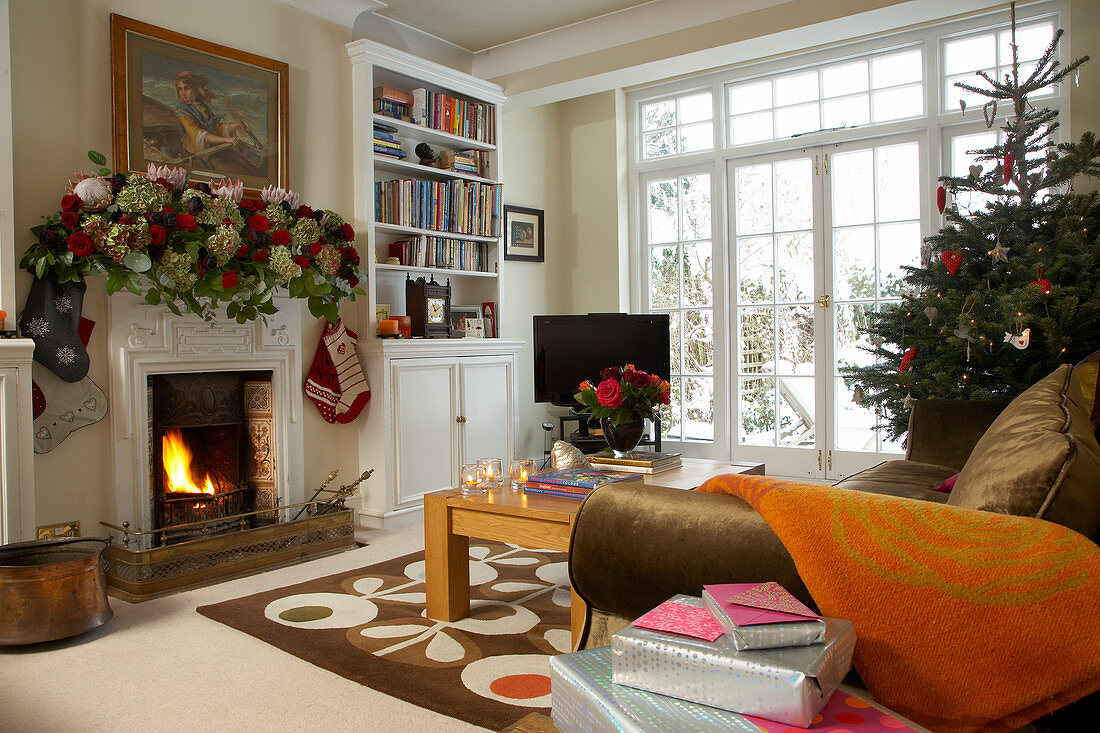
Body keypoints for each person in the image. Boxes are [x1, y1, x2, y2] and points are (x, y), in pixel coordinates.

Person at [173, 71, 263, 176]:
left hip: (213, 148)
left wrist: (237, 125)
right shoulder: (182, 111)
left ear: (195, 88)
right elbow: (199, 135)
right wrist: (226, 139)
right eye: (180, 89)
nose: (183, 93)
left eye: (187, 88)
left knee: (247, 165)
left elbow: (216, 127)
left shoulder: (202, 106)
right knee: (232, 172)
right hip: (199, 153)